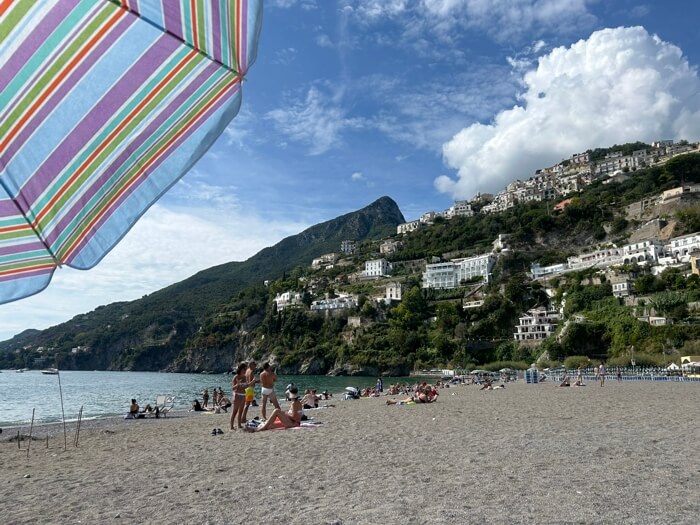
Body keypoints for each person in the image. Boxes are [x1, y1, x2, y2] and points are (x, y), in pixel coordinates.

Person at [230, 362, 257, 430]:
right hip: (237, 395)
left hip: (243, 395)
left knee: (241, 411)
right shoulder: (236, 377)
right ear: (241, 369)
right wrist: (237, 384)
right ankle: (231, 426)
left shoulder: (245, 377)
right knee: (235, 411)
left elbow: (247, 385)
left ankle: (239, 425)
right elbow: (233, 388)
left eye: (245, 369)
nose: (245, 370)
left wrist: (253, 382)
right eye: (244, 369)